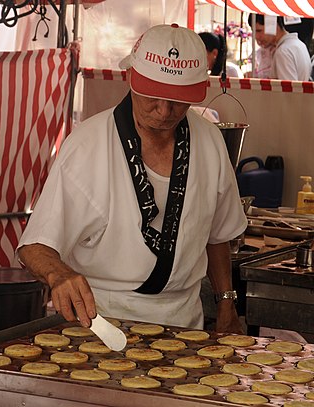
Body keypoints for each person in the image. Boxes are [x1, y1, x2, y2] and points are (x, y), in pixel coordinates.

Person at [17, 24, 247, 333]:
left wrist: (226, 303)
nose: (165, 111)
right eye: (153, 95)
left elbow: (218, 235)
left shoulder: (210, 141)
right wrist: (59, 275)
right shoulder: (87, 145)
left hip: (183, 324)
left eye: (179, 99)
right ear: (131, 78)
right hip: (100, 321)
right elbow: (33, 246)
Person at [248, 14, 312, 81]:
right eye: (254, 31)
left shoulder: (283, 51)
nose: (256, 36)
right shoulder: (299, 45)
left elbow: (287, 88)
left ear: (274, 25)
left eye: (259, 31)